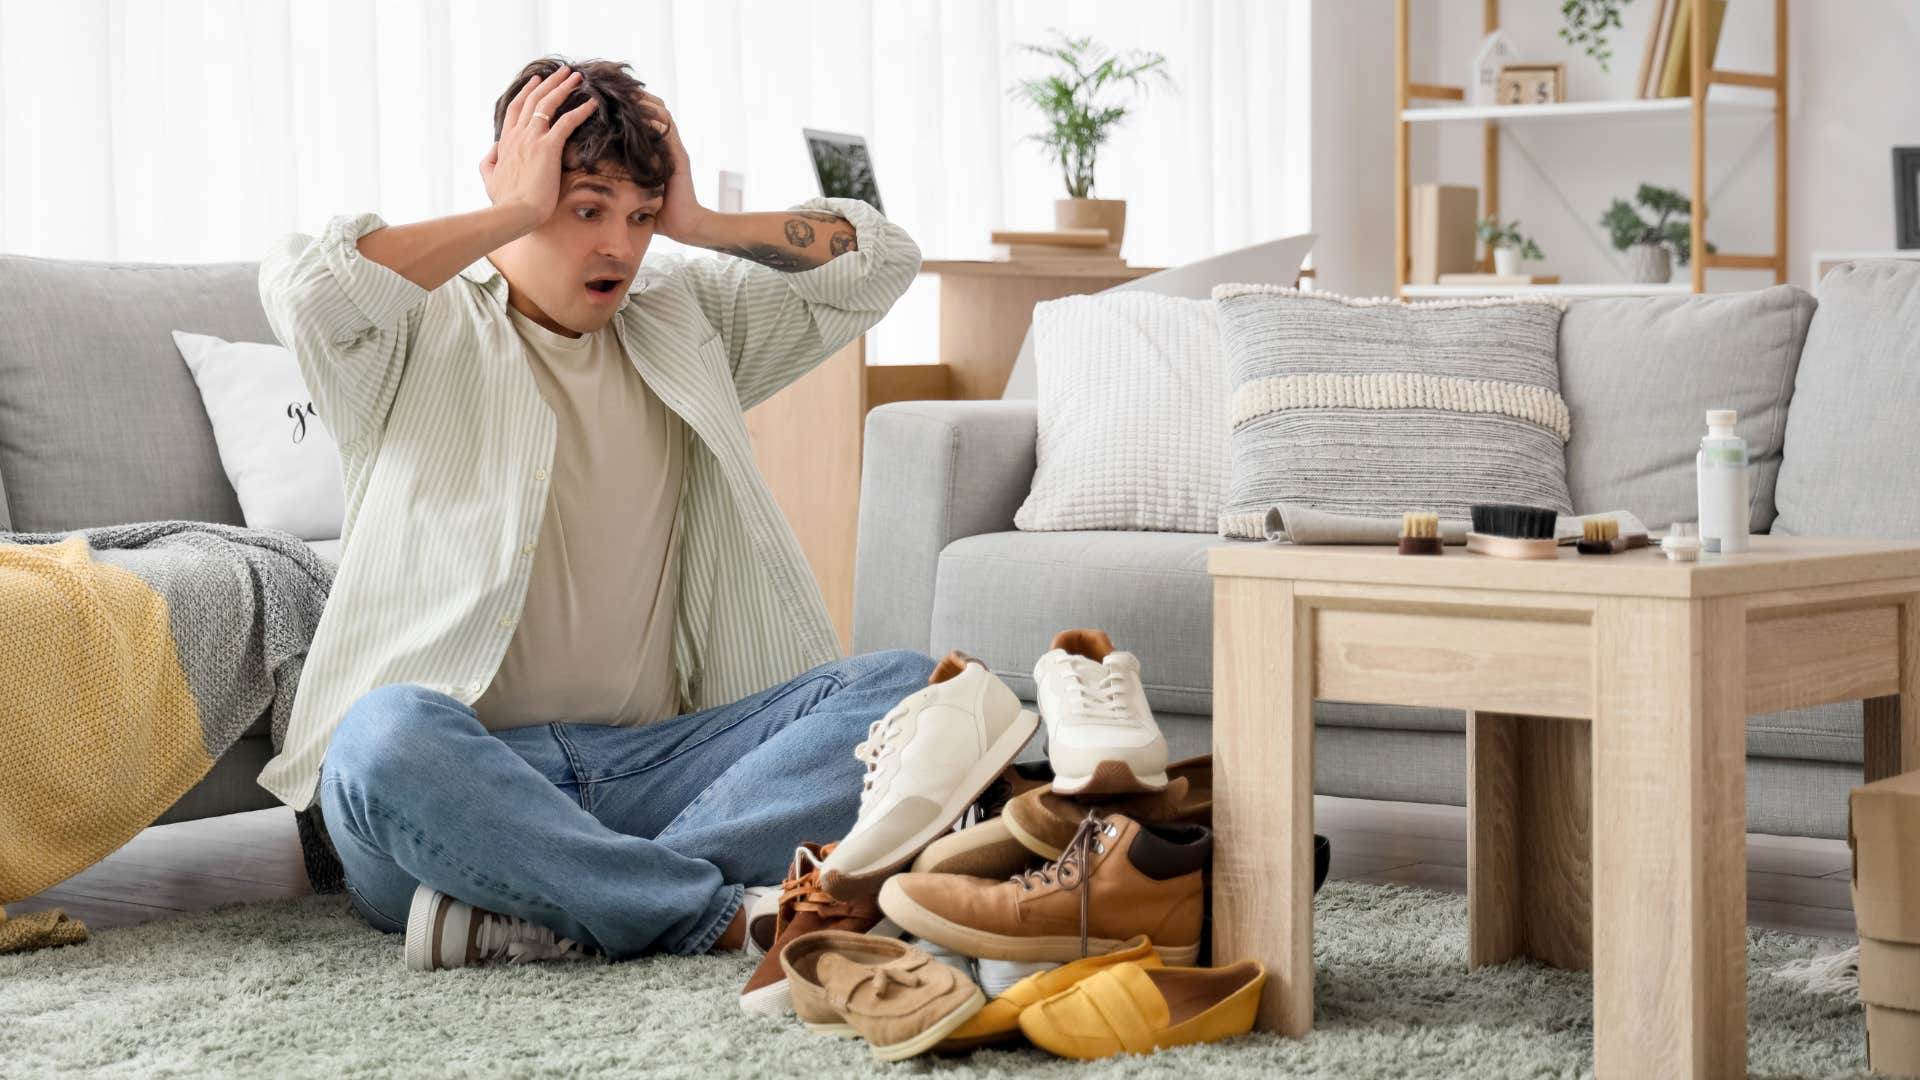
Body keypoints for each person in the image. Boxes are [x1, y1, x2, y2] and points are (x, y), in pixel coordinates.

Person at [254, 55, 928, 967]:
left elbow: (882, 265)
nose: (619, 245)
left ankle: (548, 899)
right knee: (379, 736)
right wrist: (511, 211)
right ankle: (712, 910)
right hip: (452, 785)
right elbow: (308, 289)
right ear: (515, 183)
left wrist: (701, 222)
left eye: (640, 217)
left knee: (913, 691)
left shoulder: (685, 319)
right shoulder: (413, 328)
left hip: (650, 769)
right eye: (585, 209)